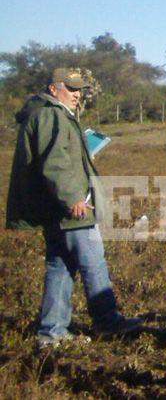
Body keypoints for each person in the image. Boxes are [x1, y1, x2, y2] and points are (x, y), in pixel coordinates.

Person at [6, 68, 143, 349]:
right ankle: (108, 323)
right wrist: (72, 198)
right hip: (71, 209)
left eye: (79, 89)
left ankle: (51, 331)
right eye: (71, 89)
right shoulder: (51, 115)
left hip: (56, 208)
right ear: (54, 88)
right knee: (93, 263)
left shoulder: (47, 113)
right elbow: (54, 162)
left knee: (59, 266)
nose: (77, 95)